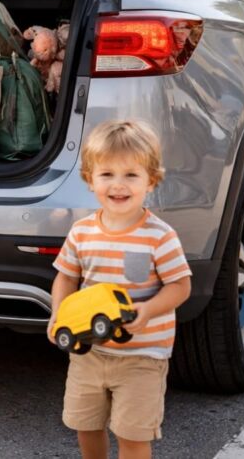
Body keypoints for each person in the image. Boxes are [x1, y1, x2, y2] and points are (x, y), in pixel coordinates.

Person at [47, 120, 192, 459]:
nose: (118, 185)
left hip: (142, 357)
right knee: (86, 425)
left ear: (151, 180)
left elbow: (180, 285)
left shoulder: (160, 236)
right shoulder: (82, 232)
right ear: (89, 178)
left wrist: (149, 310)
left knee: (132, 435)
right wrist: (59, 312)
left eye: (131, 175)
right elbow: (66, 277)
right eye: (107, 174)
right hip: (89, 353)